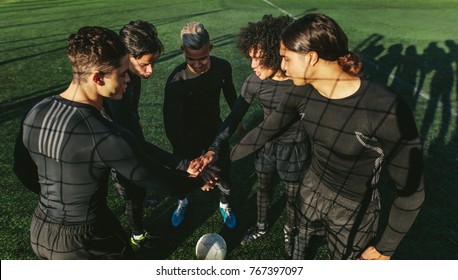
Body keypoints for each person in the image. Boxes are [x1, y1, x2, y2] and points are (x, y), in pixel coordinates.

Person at [230, 13, 425, 260]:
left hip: (355, 209)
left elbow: (411, 191)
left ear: (310, 57)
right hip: (310, 190)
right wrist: (218, 159)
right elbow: (263, 132)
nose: (282, 66)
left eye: (286, 58)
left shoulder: (384, 109)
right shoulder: (301, 92)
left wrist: (385, 248)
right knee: (298, 253)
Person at [12, 26, 214, 259]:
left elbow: (22, 170)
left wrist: (57, 201)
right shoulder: (107, 136)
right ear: (97, 78)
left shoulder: (36, 110)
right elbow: (168, 184)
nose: (129, 78)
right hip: (86, 242)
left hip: (40, 229)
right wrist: (202, 177)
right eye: (122, 73)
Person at [203, 15, 310, 257]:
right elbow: (233, 117)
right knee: (263, 188)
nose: (252, 65)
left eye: (259, 59)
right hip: (265, 146)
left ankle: (290, 231)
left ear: (277, 54)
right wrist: (214, 148)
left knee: (293, 196)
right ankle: (261, 227)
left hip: (295, 148)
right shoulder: (253, 82)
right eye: (251, 57)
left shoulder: (300, 83)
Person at [163, 22, 241, 229]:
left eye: (203, 58)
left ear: (210, 49)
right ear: (182, 51)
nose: (198, 64)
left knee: (224, 173)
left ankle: (224, 204)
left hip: (214, 132)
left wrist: (239, 121)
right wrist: (194, 164)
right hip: (185, 137)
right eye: (191, 59)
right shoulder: (176, 80)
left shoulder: (223, 67)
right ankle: (182, 201)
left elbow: (232, 96)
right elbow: (171, 125)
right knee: (183, 179)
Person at [103, 20, 164, 250]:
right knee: (134, 188)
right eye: (145, 64)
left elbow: (130, 113)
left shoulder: (132, 75)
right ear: (127, 55)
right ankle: (137, 236)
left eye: (153, 63)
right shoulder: (113, 84)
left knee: (137, 187)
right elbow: (119, 129)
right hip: (113, 143)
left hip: (125, 131)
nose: (150, 70)